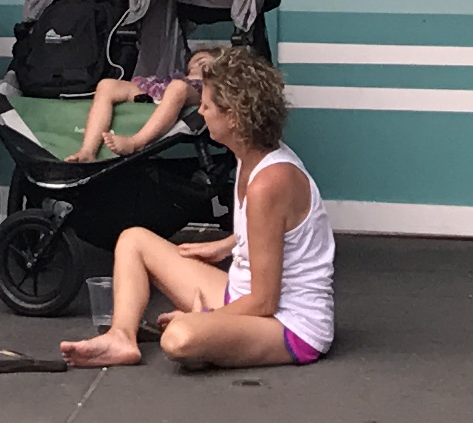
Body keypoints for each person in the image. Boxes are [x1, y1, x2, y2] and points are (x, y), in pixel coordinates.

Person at [56, 45, 333, 369]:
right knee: (133, 240)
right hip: (242, 295)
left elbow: (265, 300)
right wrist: (228, 245)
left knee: (179, 337)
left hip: (290, 325)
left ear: (233, 116)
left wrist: (206, 317)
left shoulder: (269, 182)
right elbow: (284, 230)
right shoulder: (253, 155)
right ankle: (121, 337)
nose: (200, 112)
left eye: (206, 105)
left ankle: (207, 333)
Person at [70, 41, 216, 162]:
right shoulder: (177, 79)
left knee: (178, 87)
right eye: (194, 63)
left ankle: (135, 143)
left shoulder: (215, 83)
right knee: (107, 85)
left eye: (204, 61)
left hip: (199, 92)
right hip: (161, 93)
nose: (198, 65)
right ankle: (88, 151)